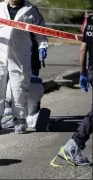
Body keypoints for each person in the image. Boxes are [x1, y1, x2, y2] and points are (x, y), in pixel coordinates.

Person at [0, 0, 49, 134]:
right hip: (0, 53)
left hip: (20, 55)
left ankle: (20, 119)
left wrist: (42, 46)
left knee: (19, 87)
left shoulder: (30, 10)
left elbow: (40, 31)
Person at [51, 14, 92, 167]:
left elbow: (83, 49)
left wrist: (83, 73)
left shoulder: (90, 22)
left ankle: (74, 145)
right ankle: (74, 145)